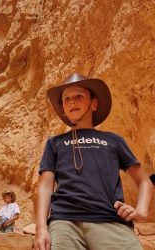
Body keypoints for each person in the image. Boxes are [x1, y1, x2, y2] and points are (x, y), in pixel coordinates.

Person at [35, 73, 154, 250]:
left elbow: (144, 181)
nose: (71, 101)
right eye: (66, 99)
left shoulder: (113, 140)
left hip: (111, 221)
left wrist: (141, 212)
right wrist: (41, 228)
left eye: (78, 96)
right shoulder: (55, 143)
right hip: (65, 222)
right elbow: (45, 186)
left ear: (94, 103)